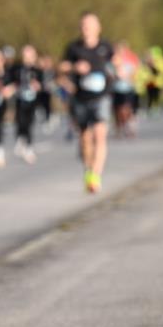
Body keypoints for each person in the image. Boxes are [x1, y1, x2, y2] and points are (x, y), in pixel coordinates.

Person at [60, 11, 114, 193]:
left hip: (102, 97)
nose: (86, 28)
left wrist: (120, 69)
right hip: (81, 97)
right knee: (85, 139)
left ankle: (95, 176)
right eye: (83, 25)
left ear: (98, 27)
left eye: (90, 25)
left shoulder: (106, 46)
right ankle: (88, 168)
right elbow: (61, 66)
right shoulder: (74, 48)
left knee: (100, 135)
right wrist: (75, 67)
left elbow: (117, 62)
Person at [8, 44, 41, 164]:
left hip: (32, 100)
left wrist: (37, 86)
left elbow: (42, 84)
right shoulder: (17, 68)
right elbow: (10, 81)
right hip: (20, 99)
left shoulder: (37, 70)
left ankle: (29, 147)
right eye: (24, 55)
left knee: (29, 123)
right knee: (20, 120)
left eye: (29, 55)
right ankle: (20, 139)